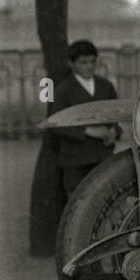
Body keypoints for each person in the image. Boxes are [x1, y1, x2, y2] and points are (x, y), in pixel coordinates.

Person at [48, 40, 121, 196]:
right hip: (76, 161)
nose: (89, 66)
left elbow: (116, 114)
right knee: (79, 205)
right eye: (83, 62)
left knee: (106, 199)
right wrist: (89, 131)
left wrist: (114, 131)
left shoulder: (106, 86)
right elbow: (56, 123)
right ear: (71, 63)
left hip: (104, 157)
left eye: (92, 62)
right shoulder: (63, 90)